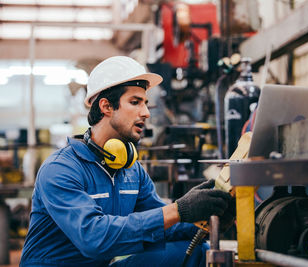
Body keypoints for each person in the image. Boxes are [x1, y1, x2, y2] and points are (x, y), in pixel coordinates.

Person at [20, 56, 234, 267]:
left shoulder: (131, 171)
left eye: (145, 103)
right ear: (106, 106)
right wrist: (178, 209)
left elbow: (163, 224)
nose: (146, 113)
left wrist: (205, 218)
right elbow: (94, 238)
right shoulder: (61, 169)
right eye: (135, 102)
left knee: (196, 250)